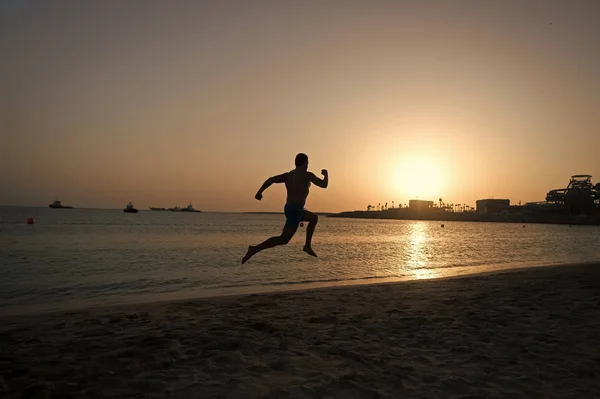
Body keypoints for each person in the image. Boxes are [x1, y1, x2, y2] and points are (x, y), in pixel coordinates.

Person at [242, 153, 328, 264]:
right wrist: (326, 175)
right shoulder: (308, 175)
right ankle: (254, 249)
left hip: (289, 209)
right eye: (308, 162)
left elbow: (271, 179)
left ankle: (307, 245)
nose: (308, 164)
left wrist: (259, 192)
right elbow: (324, 185)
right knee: (283, 239)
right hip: (296, 211)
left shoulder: (288, 175)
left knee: (314, 218)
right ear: (306, 163)